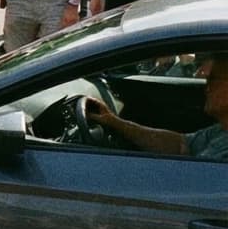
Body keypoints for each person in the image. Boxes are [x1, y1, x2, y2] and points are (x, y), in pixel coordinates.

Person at [86, 52, 228, 162]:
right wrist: (115, 122)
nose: (206, 87)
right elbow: (181, 145)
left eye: (213, 79)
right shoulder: (221, 131)